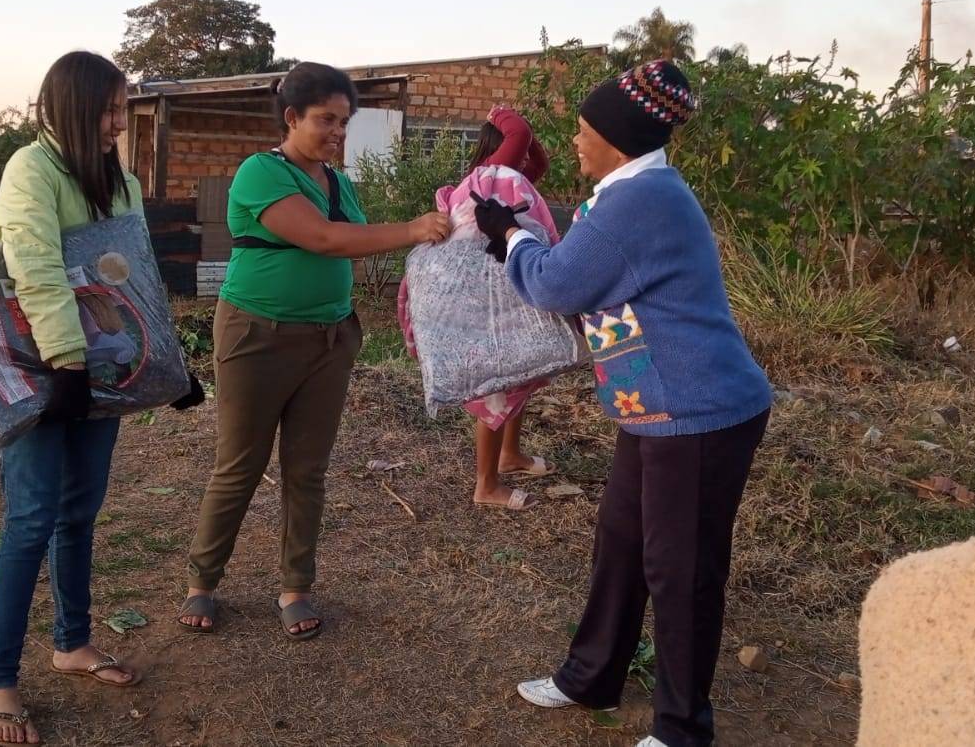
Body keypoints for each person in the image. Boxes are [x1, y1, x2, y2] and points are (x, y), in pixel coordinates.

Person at [472, 60, 773, 747]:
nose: (575, 141)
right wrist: (517, 239)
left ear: (617, 137)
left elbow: (556, 284)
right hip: (656, 407)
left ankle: (681, 730)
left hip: (697, 412)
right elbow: (579, 267)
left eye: (584, 130)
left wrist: (510, 236)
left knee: (680, 570)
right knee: (622, 543)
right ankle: (591, 677)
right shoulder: (633, 192)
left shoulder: (640, 200)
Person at [177, 62, 451, 640]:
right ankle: (203, 581)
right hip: (257, 335)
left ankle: (295, 586)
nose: (337, 132)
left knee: (307, 469)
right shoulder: (261, 172)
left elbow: (351, 243)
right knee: (240, 464)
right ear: (291, 117)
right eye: (326, 120)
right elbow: (324, 239)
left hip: (329, 338)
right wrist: (411, 228)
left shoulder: (337, 182)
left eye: (344, 122)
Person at [0, 51, 202, 746]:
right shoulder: (31, 170)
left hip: (98, 369)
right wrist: (67, 365)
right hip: (41, 368)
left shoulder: (118, 180)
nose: (118, 124)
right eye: (108, 111)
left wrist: (166, 366)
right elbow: (34, 268)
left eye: (121, 110)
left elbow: (133, 277)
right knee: (31, 518)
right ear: (71, 109)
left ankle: (72, 642)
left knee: (79, 512)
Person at [464, 106, 557, 509]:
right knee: (498, 387)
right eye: (514, 152)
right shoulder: (489, 178)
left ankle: (510, 454)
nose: (521, 162)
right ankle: (486, 485)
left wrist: (527, 144)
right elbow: (519, 133)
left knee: (520, 372)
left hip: (509, 295)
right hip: (490, 304)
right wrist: (501, 113)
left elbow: (540, 163)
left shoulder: (511, 183)